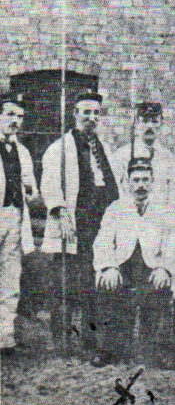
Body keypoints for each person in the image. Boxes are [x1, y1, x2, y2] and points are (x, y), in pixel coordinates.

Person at [41, 89, 120, 351]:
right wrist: (62, 214)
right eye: (86, 112)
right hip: (74, 223)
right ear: (75, 114)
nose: (92, 118)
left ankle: (89, 338)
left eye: (96, 113)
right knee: (65, 283)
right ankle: (61, 341)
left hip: (100, 224)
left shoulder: (105, 148)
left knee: (92, 281)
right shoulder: (59, 148)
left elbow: (114, 184)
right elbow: (50, 185)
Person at [91, 158, 175, 368]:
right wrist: (109, 267)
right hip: (123, 267)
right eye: (136, 180)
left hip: (151, 268)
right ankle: (107, 349)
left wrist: (164, 268)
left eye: (145, 180)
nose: (141, 185)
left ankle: (158, 350)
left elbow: (173, 243)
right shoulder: (116, 208)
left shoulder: (164, 209)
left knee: (160, 291)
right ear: (128, 183)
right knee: (107, 286)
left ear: (152, 182)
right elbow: (102, 241)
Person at [0, 93, 37, 354]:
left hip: (14, 217)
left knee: (10, 276)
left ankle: (5, 334)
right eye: (10, 114)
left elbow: (32, 190)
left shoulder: (22, 152)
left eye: (20, 116)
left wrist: (29, 190)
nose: (16, 121)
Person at [112, 101, 175, 209]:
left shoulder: (168, 157)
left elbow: (172, 194)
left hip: (159, 218)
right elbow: (115, 191)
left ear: (161, 124)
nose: (149, 126)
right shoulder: (122, 155)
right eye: (145, 121)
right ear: (136, 123)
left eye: (155, 121)